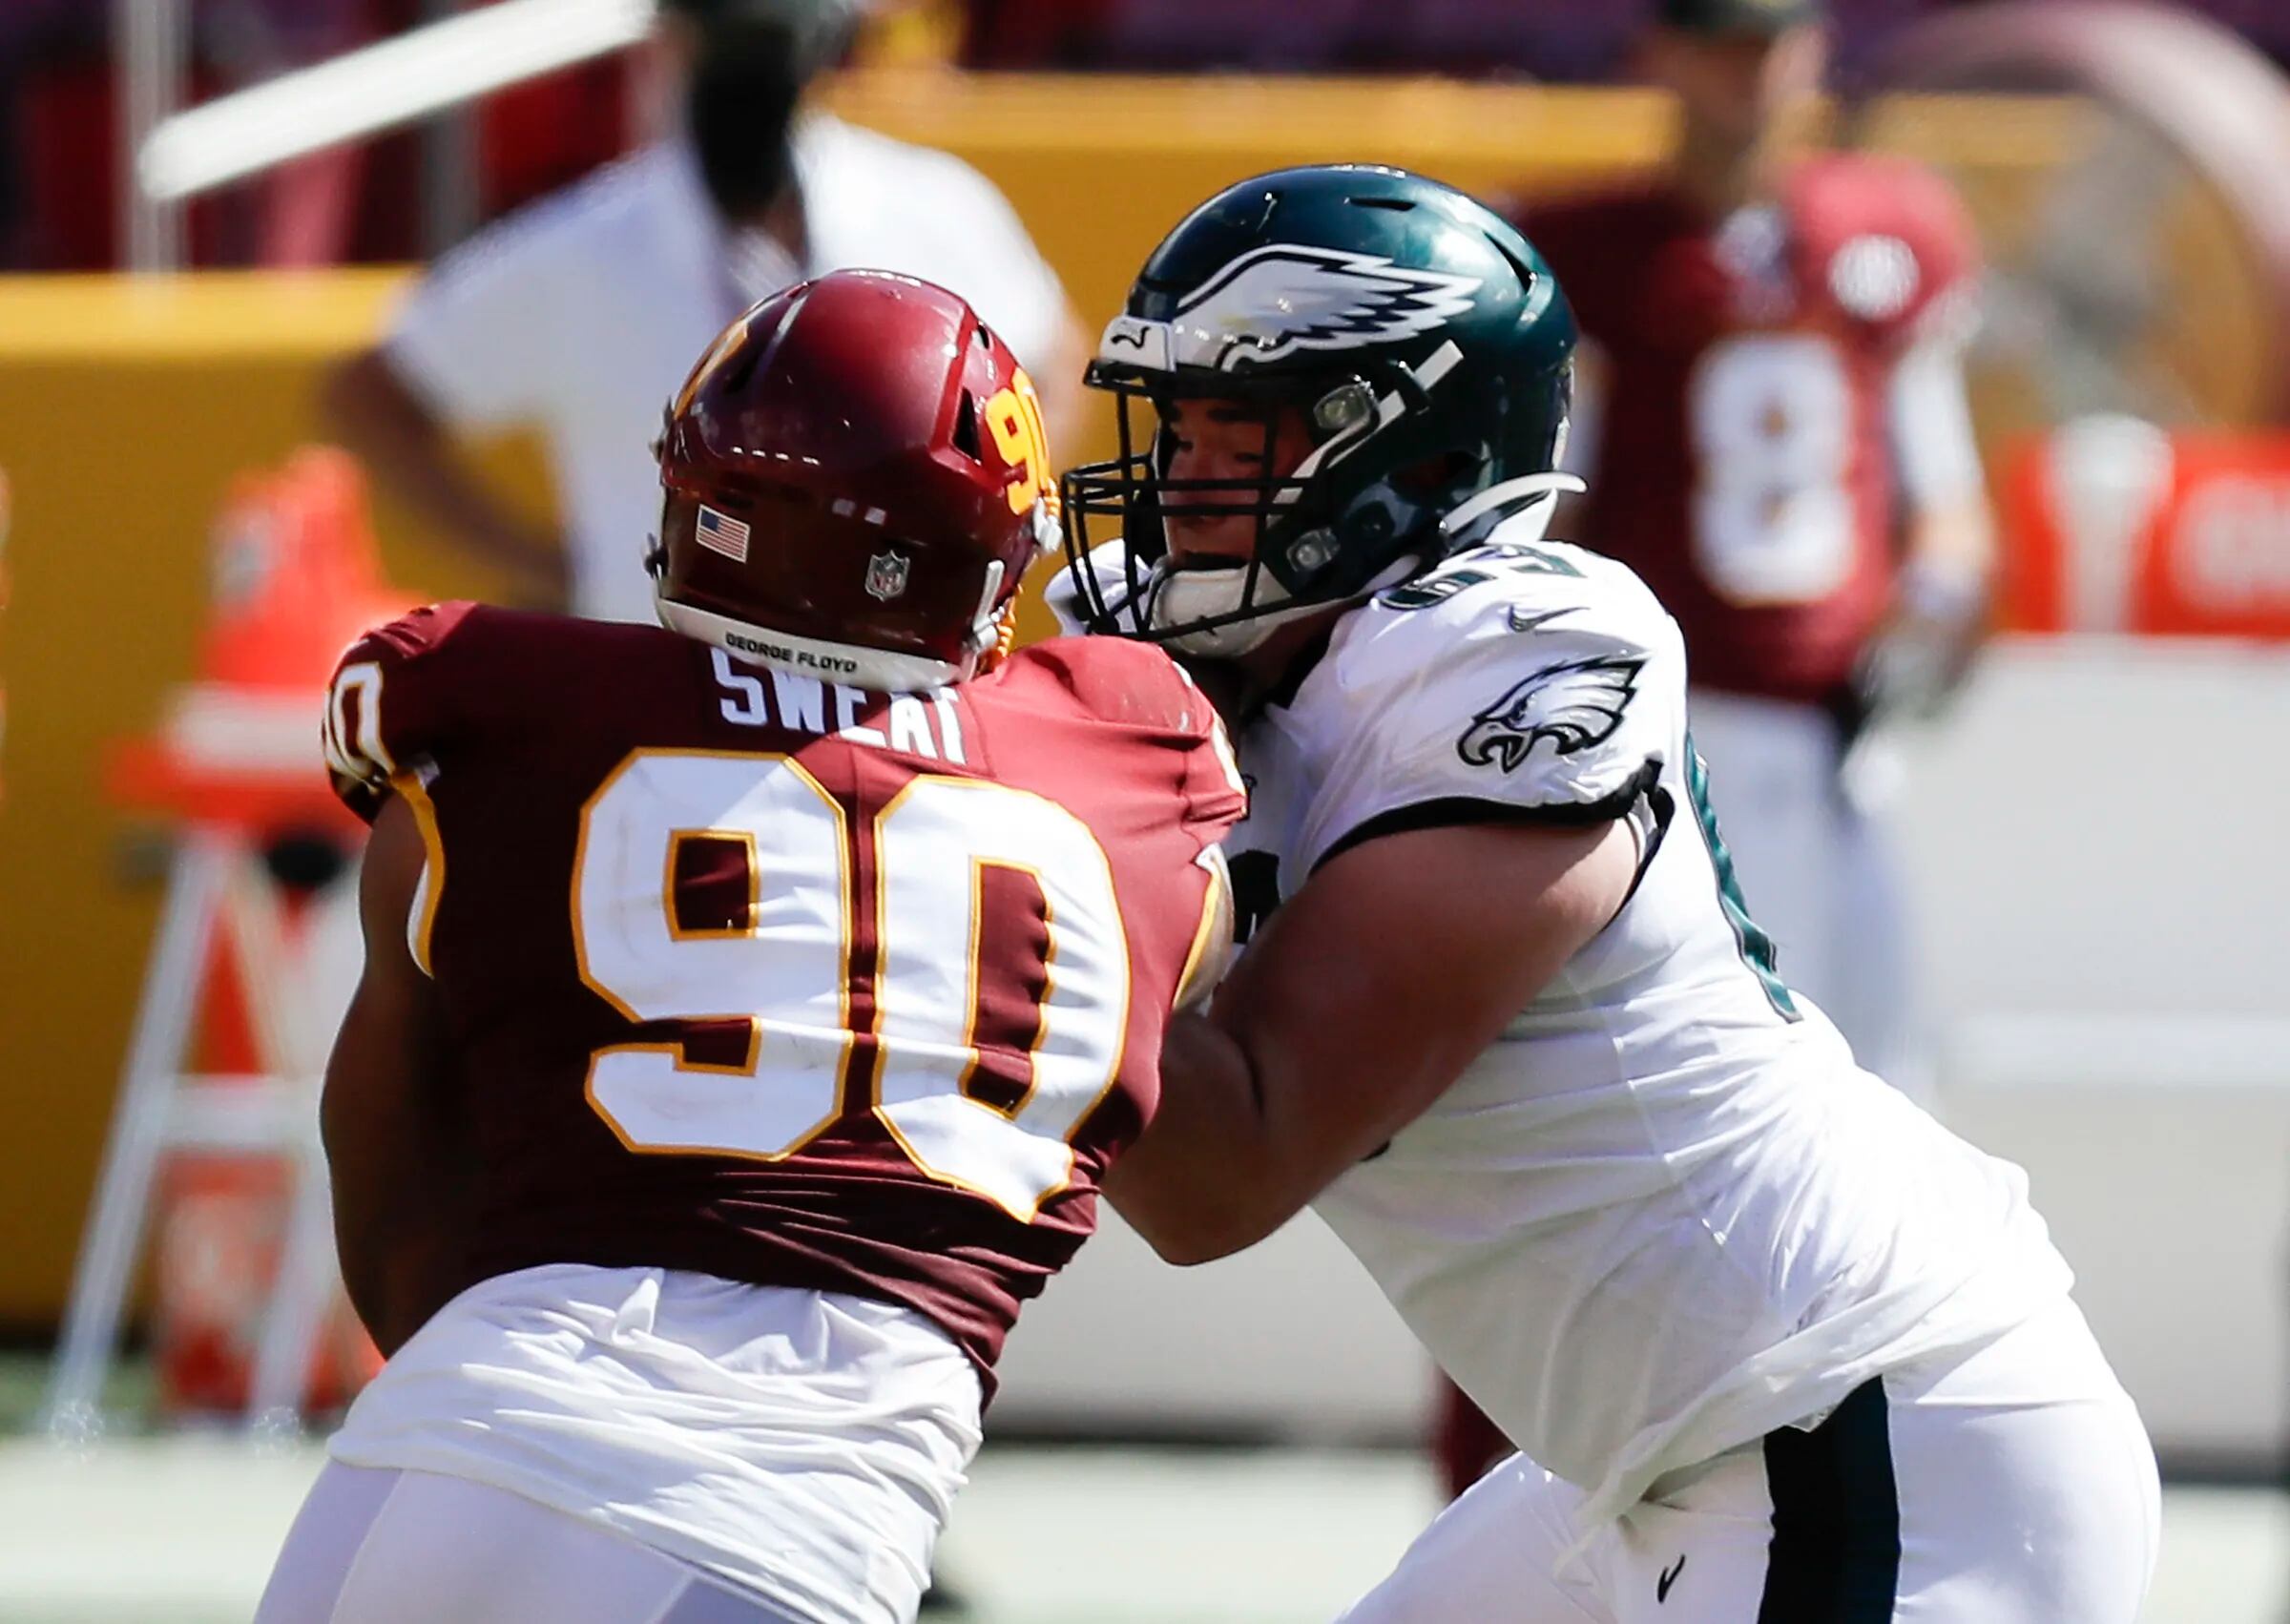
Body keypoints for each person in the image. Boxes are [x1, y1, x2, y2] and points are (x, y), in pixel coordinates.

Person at [1061, 165, 2157, 1622]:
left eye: (1233, 430)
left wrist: (1018, 867)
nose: (1177, 479)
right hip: (1637, 1459)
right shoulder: (1203, 659)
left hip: (1876, 1427)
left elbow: (1226, 1164)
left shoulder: (1518, 650)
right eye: (1174, 425)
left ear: (1390, 446)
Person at [257, 270, 1242, 1624]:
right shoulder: (1133, 759)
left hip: (431, 1439)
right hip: (765, 1513)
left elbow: (387, 1165)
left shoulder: (489, 719)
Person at [1513, 0, 1995, 1099]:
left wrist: (1939, 604)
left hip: (1847, 730)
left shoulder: (1886, 234)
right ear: (1659, 54)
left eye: (1768, 42)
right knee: (1735, 1084)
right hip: (1683, 719)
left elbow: (1946, 494)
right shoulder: (1586, 250)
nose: (1749, 72)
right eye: (1720, 41)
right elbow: (1551, 516)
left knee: (1880, 1081)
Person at [323, 0, 1086, 625]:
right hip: (657, 689)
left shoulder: (930, 208)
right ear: (672, 40)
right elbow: (374, 394)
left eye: (770, 37)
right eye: (730, 33)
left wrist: (981, 546)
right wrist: (551, 565)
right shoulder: (584, 246)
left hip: (890, 674)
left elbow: (1051, 361)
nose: (750, 65)